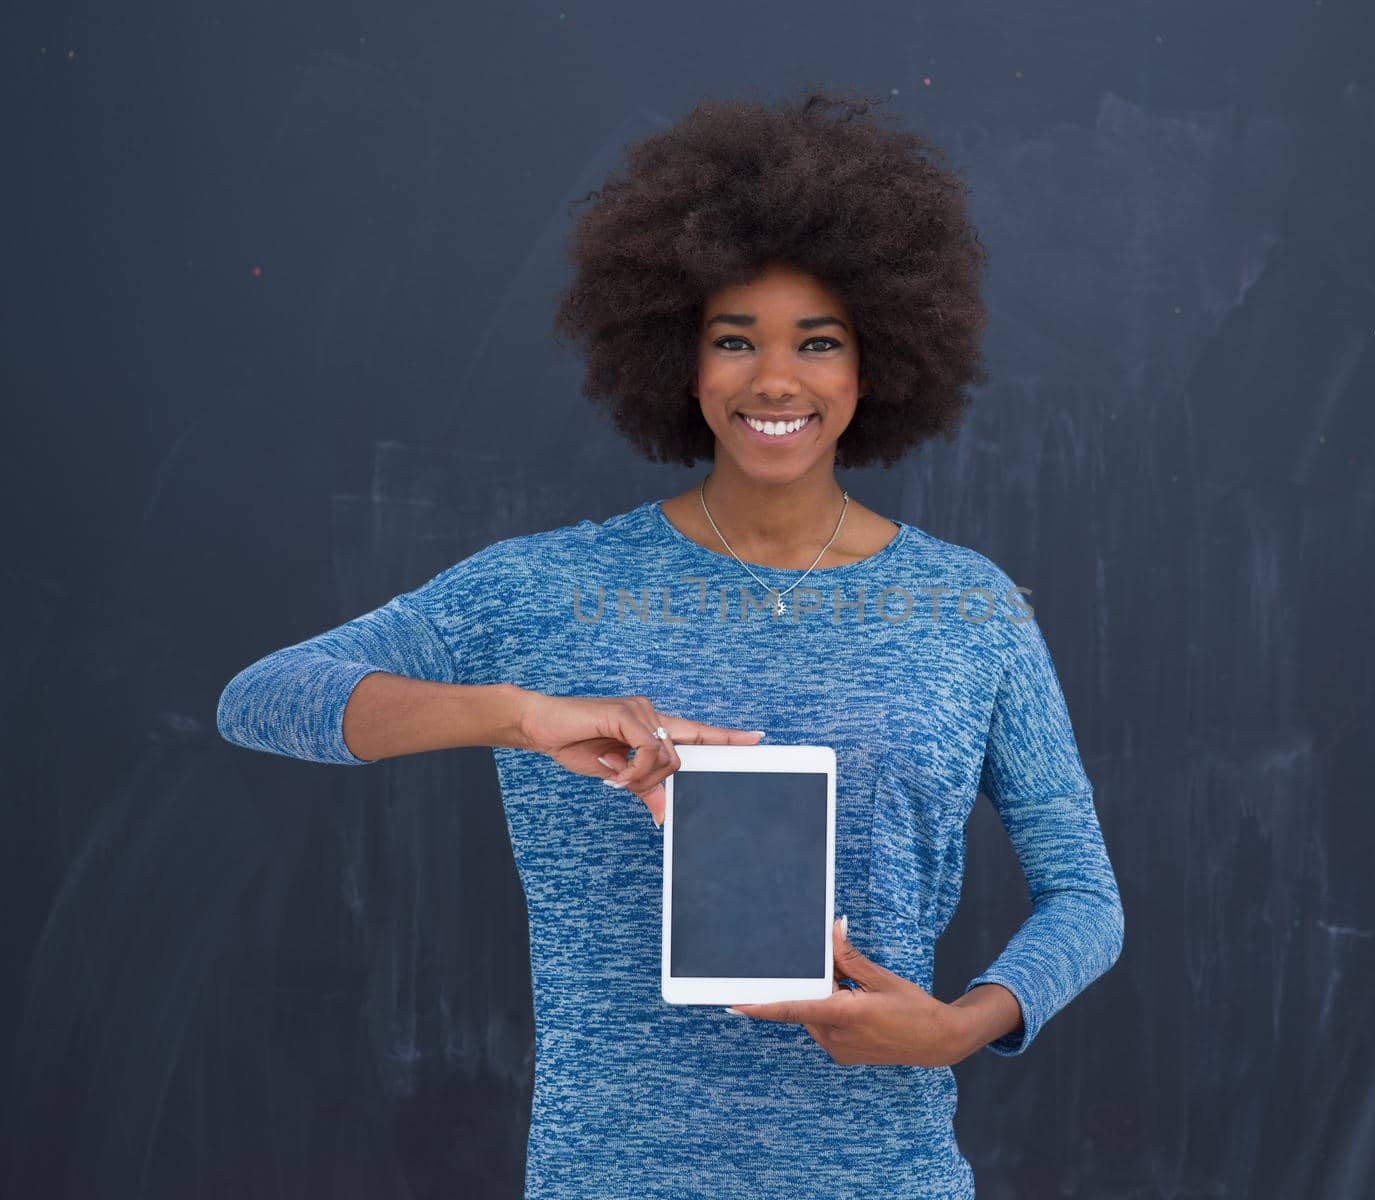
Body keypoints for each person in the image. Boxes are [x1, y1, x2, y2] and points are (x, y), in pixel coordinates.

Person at [216, 88, 1123, 1200]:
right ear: (678, 364)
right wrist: (517, 714)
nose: (775, 379)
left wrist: (960, 1027)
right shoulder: (544, 589)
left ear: (874, 363)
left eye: (818, 343)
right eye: (733, 340)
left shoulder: (967, 606)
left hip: (881, 1175)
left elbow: (1084, 893)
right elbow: (262, 697)